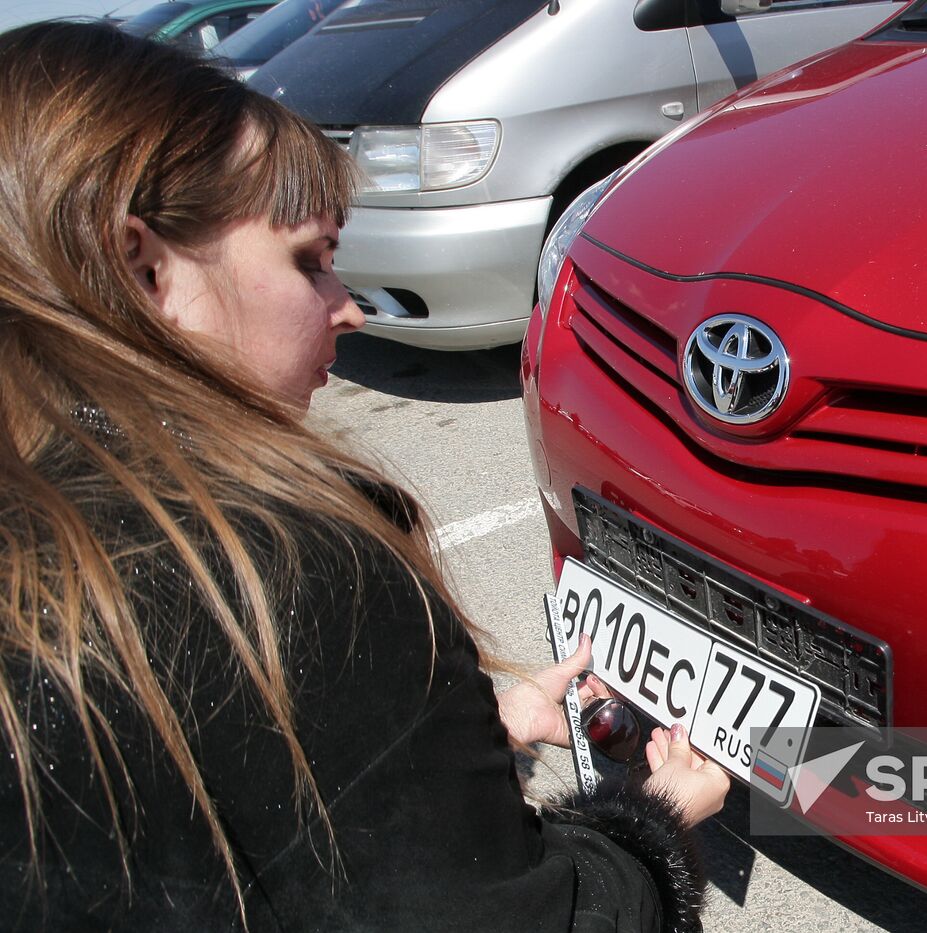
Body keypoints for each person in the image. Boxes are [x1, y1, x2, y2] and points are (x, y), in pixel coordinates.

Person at [0, 20, 729, 932]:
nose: (347, 309)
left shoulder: (51, 529)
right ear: (143, 268)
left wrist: (440, 738)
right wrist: (654, 821)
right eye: (309, 260)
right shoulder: (285, 577)